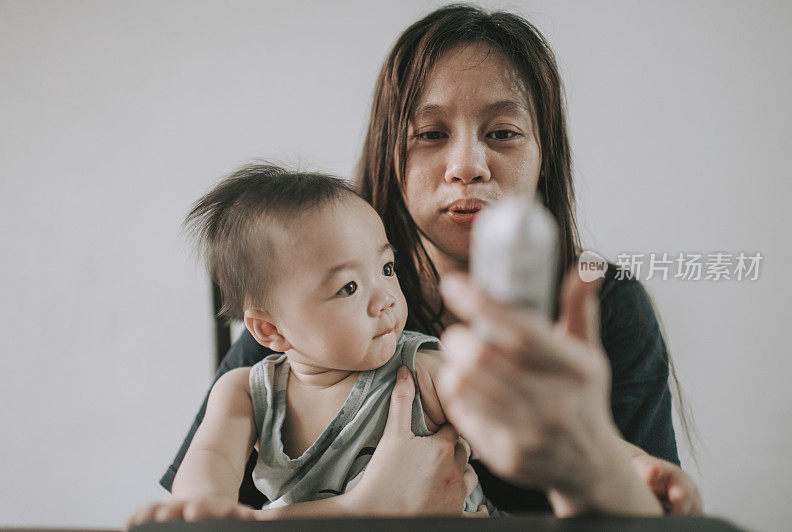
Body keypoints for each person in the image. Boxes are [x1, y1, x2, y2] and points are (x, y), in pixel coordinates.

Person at [158, 4, 702, 519]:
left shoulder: (602, 305)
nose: (467, 166)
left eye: (503, 133)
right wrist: (362, 512)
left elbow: (568, 450)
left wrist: (624, 466)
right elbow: (197, 511)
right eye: (431, 134)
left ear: (545, 154)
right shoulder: (297, 304)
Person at [128, 165, 496, 528]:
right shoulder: (248, 394)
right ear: (270, 329)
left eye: (386, 268)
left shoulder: (419, 370)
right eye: (348, 287)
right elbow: (212, 460)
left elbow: (505, 428)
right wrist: (201, 505)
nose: (385, 298)